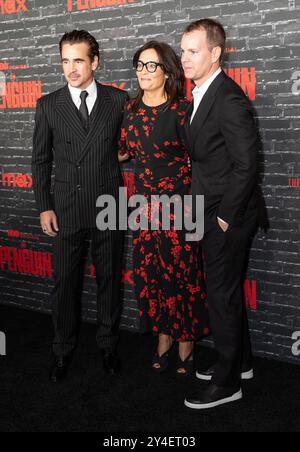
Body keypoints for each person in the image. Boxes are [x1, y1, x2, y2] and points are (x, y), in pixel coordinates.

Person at [32, 30, 129, 382]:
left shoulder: (119, 101)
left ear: (95, 62)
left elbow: (132, 144)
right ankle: (61, 350)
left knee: (109, 279)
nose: (71, 69)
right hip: (66, 205)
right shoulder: (48, 104)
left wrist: (119, 154)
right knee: (64, 283)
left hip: (109, 202)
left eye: (78, 60)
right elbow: (40, 161)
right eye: (65, 61)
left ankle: (108, 345)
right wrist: (45, 205)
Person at [181, 19, 259, 409]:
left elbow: (248, 164)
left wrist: (224, 218)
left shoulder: (226, 97)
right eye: (182, 50)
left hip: (227, 217)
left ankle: (228, 384)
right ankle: (240, 363)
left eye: (193, 51)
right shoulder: (201, 93)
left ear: (216, 53)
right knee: (226, 294)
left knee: (222, 296)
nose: (184, 58)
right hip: (208, 210)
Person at [118, 41, 209, 376]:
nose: (143, 72)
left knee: (183, 273)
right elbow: (123, 151)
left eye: (151, 66)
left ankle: (187, 341)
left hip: (180, 205)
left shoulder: (183, 110)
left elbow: (202, 158)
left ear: (169, 71)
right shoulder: (130, 110)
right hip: (143, 205)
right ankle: (163, 339)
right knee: (152, 273)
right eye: (139, 65)